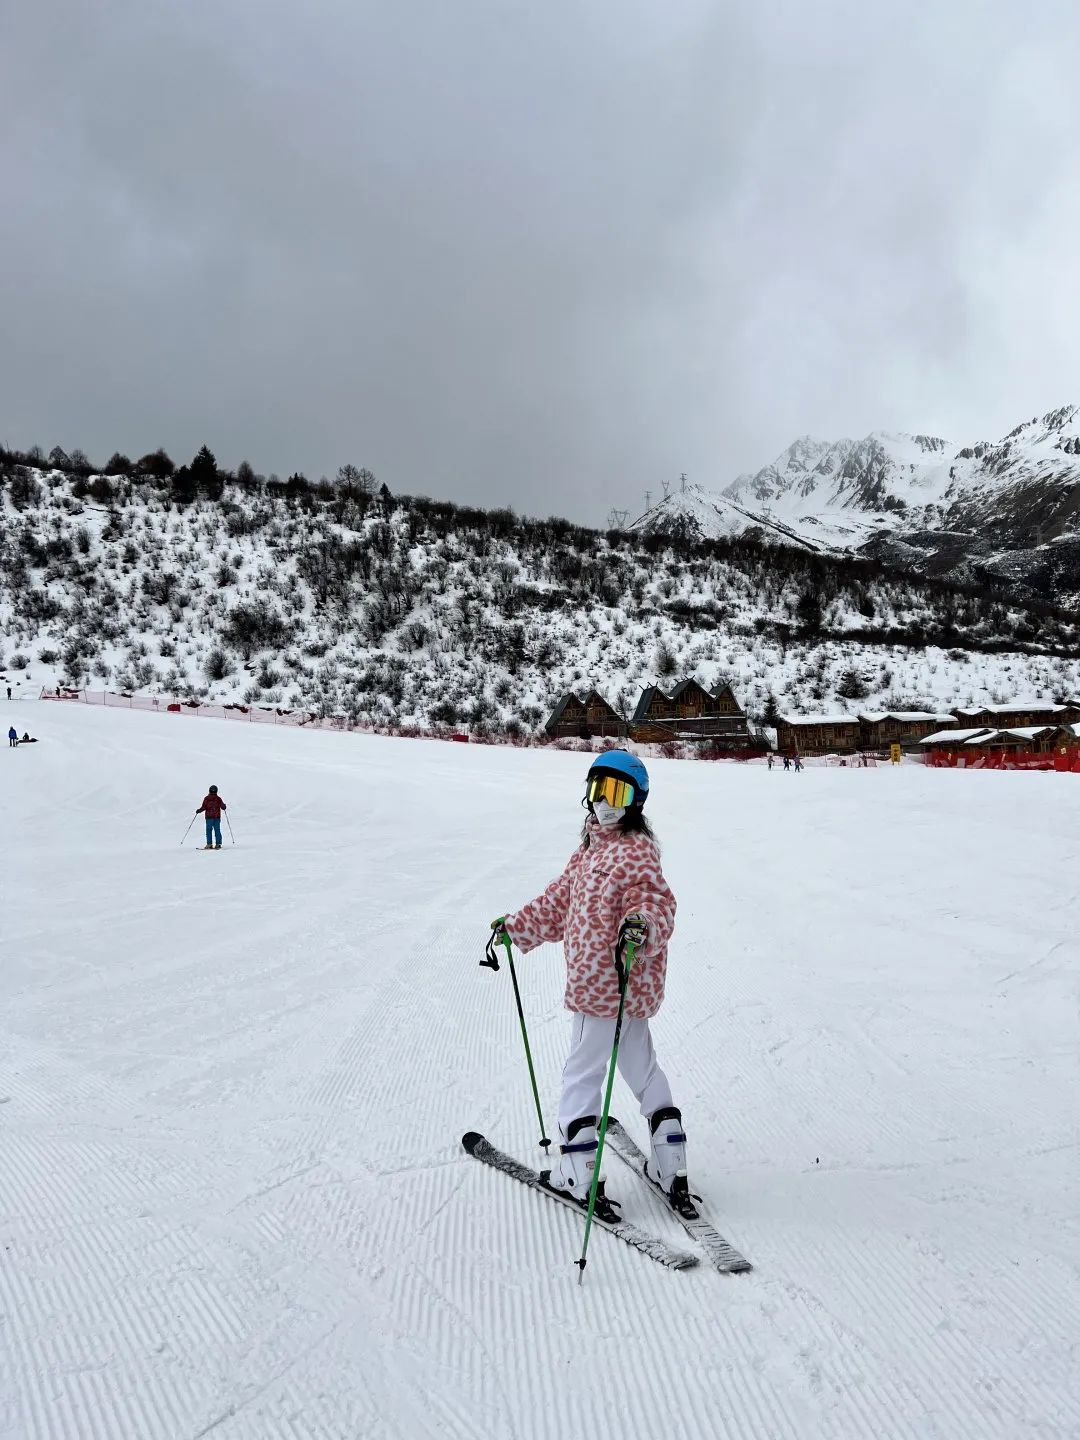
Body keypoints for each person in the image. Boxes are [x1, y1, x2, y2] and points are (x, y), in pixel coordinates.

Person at [491, 750, 693, 1220]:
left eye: (617, 793)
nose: (605, 803)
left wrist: (638, 927)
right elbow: (557, 903)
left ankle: (578, 1174)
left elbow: (656, 902)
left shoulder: (636, 850)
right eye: (598, 790)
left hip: (608, 985)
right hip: (620, 992)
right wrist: (515, 927)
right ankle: (671, 1163)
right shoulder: (587, 852)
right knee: (641, 1066)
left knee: (583, 1072)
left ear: (635, 801)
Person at [196, 784, 226, 849]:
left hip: (209, 818)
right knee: (217, 830)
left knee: (209, 830)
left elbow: (203, 807)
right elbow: (223, 807)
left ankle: (209, 844)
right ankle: (218, 844)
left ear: (209, 790)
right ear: (216, 791)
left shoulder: (206, 798)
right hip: (217, 818)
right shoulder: (218, 799)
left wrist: (199, 810)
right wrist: (224, 806)